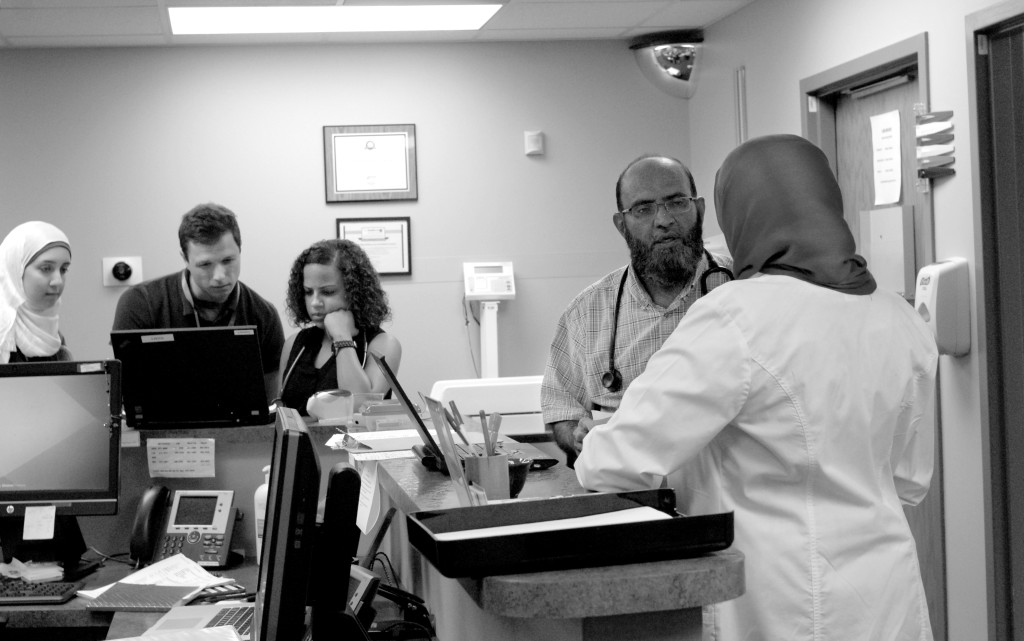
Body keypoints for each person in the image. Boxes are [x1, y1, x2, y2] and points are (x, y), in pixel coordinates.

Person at [575, 134, 938, 641]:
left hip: (779, 599)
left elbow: (611, 464)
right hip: (885, 595)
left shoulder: (736, 316)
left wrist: (597, 435)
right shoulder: (903, 317)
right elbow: (910, 481)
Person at [541, 154, 732, 466]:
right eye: (643, 209)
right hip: (630, 495)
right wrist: (579, 438)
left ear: (698, 209)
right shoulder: (586, 313)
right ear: (622, 225)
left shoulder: (743, 287)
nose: (663, 220)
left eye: (677, 202)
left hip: (725, 496)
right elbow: (561, 406)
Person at [112, 203, 284, 399]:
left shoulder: (264, 314)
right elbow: (127, 392)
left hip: (241, 428)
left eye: (228, 260)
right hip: (160, 427)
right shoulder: (141, 303)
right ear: (184, 259)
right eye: (205, 264)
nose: (220, 276)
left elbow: (268, 401)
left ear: (240, 251)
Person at [278, 239, 401, 415]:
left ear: (354, 292)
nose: (315, 303)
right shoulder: (294, 344)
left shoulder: (384, 344)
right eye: (308, 292)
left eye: (327, 292)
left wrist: (342, 337)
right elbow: (282, 411)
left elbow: (362, 407)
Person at [1, 221, 74, 363]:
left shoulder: (53, 335)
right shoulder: (3, 333)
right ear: (16, 271)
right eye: (46, 268)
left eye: (63, 269)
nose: (58, 281)